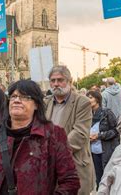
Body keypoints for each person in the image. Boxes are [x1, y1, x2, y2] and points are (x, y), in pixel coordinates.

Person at [0, 80, 80, 194]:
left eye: (24, 97)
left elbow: (70, 181)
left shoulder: (53, 135)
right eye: (13, 96)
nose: (17, 100)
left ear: (36, 104)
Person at [44, 65, 94, 195]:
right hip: (50, 169)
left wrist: (54, 152)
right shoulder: (46, 103)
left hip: (74, 165)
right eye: (53, 80)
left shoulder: (82, 102)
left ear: (70, 81)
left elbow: (80, 134)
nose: (56, 84)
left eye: (60, 80)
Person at [86, 90, 120, 189]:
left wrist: (99, 136)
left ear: (97, 99)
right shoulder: (87, 115)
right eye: (87, 97)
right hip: (94, 151)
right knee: (99, 177)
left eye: (90, 97)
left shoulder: (106, 113)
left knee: (109, 176)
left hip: (107, 150)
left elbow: (116, 130)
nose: (88, 100)